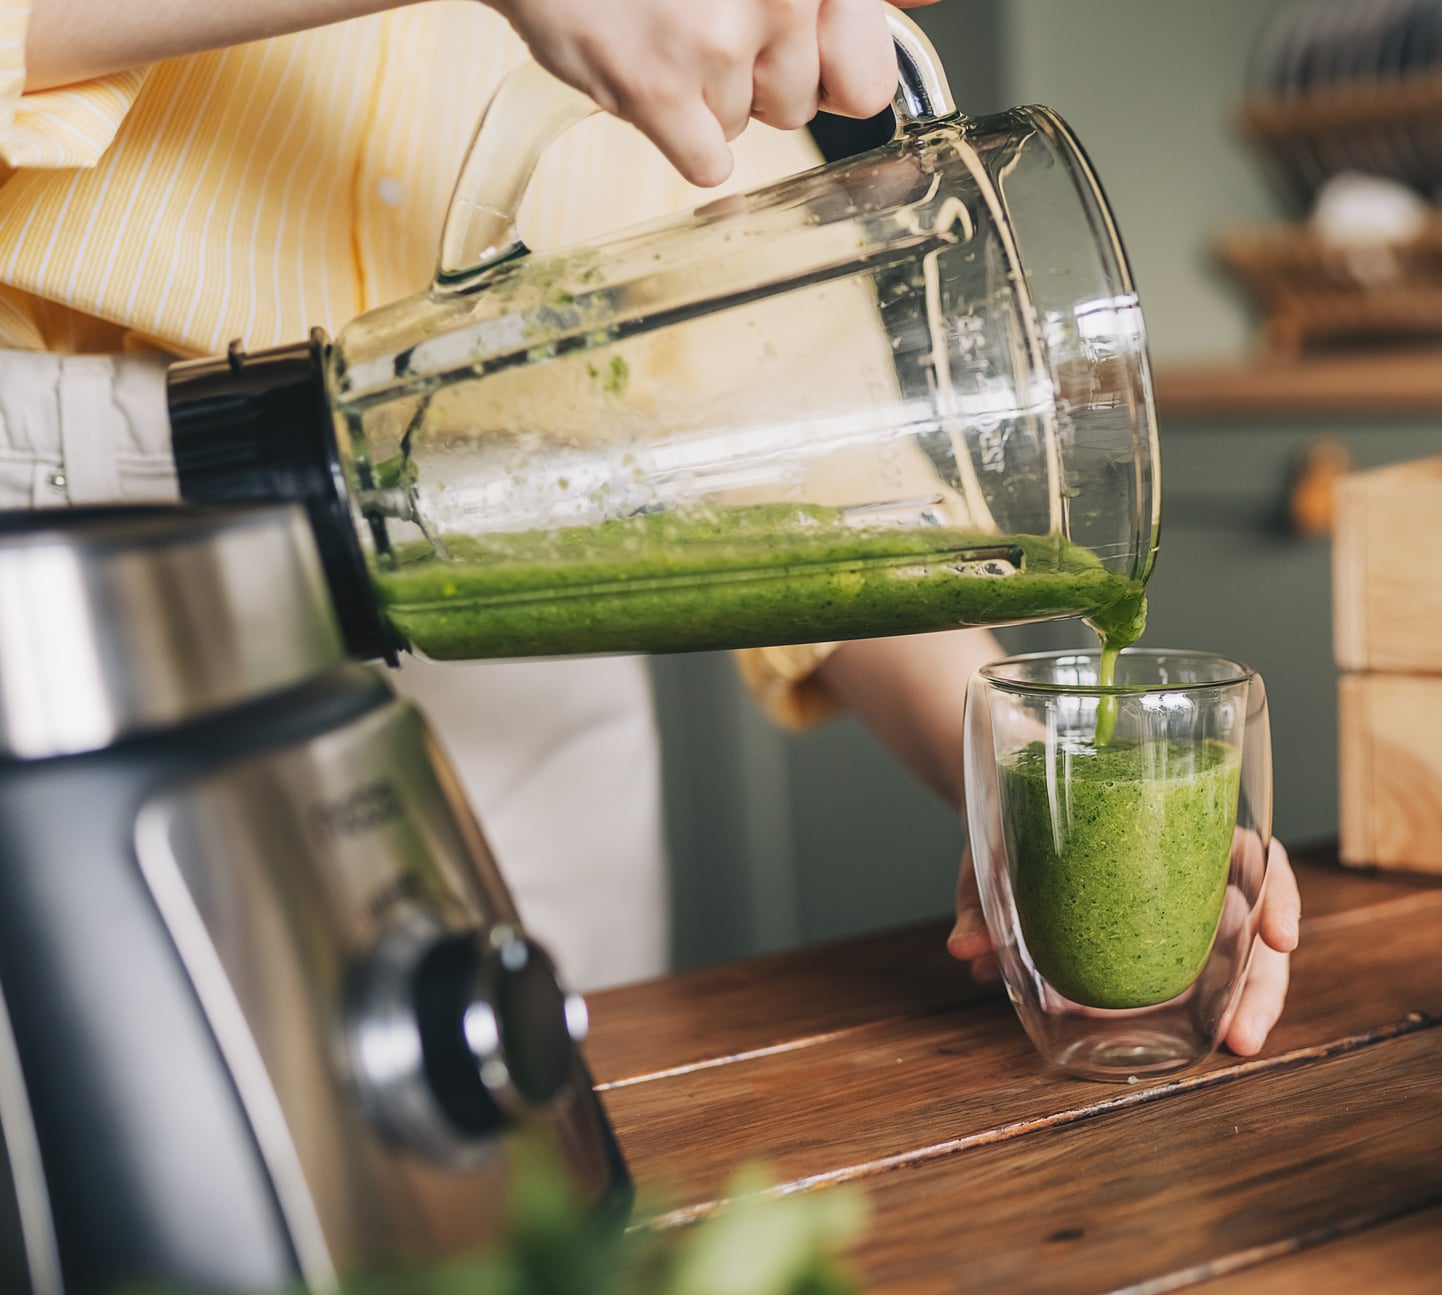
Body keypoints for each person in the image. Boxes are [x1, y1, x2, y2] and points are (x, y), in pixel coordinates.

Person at [1, 0, 1302, 1055]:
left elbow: (826, 469)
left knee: (551, 1249)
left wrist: (1022, 781)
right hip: (90, 545)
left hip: (530, 590)